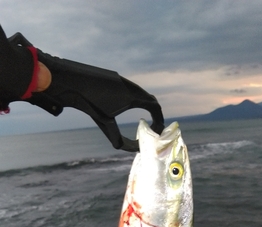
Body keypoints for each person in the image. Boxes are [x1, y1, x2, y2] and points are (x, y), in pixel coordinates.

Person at [0, 25, 164, 152]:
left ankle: (149, 119)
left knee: (126, 94)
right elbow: (17, 38)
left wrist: (35, 52)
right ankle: (130, 136)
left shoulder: (7, 53)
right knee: (106, 118)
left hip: (54, 70)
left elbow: (17, 37)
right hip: (51, 90)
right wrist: (43, 101)